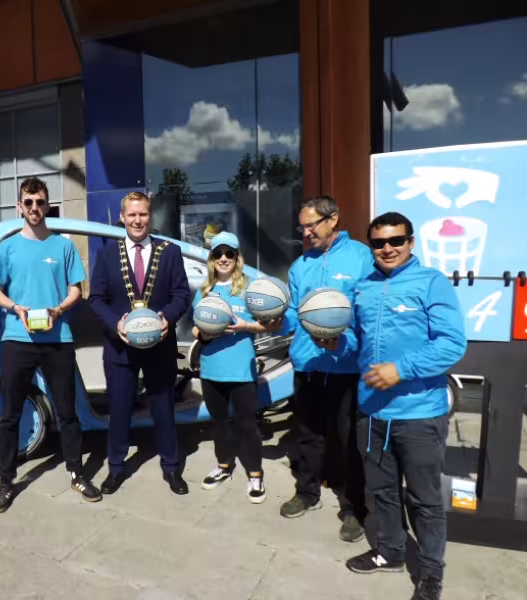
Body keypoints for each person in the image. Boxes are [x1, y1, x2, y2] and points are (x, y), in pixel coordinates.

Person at [344, 212, 465, 600]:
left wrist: (401, 369)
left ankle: (430, 574)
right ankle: (391, 551)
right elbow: (357, 343)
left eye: (396, 240)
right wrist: (336, 342)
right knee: (381, 491)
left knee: (424, 499)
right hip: (372, 412)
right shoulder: (363, 287)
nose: (388, 248)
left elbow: (452, 343)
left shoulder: (431, 283)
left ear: (411, 242)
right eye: (379, 243)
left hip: (418, 414)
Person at [0, 177, 101, 512]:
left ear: (47, 205)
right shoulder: (7, 248)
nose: (34, 208)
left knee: (68, 413)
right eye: (29, 202)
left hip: (58, 340)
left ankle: (77, 472)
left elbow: (76, 290)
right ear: (19, 206)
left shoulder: (62, 246)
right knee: (9, 415)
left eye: (40, 202)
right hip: (17, 340)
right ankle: (7, 480)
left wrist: (59, 309)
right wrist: (15, 307)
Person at [277, 195, 374, 543]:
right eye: (301, 227)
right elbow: (292, 314)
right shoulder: (300, 264)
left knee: (349, 440)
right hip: (307, 364)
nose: (305, 233)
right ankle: (307, 492)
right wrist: (276, 319)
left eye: (311, 225)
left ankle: (353, 508)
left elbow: (369, 314)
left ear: (333, 219)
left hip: (346, 366)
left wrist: (344, 341)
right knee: (309, 433)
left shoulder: (361, 257)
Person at [88, 191, 191, 495]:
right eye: (131, 214)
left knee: (163, 409)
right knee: (119, 411)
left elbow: (182, 295)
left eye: (143, 214)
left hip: (159, 345)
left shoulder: (169, 252)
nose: (137, 220)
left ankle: (171, 468)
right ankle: (116, 468)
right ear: (122, 217)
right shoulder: (107, 254)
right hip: (119, 348)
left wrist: (166, 319)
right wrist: (115, 323)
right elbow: (96, 299)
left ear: (150, 216)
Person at [191, 232, 279, 503]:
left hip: (241, 369)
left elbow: (270, 324)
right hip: (211, 368)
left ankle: (255, 474)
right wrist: (206, 334)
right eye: (218, 254)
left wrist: (244, 326)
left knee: (247, 425)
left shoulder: (251, 289)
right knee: (219, 424)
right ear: (211, 259)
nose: (224, 259)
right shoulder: (205, 290)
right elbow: (196, 328)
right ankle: (224, 466)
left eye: (229, 253)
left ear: (237, 258)